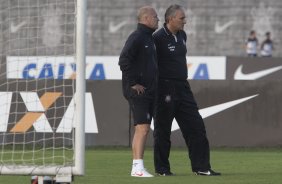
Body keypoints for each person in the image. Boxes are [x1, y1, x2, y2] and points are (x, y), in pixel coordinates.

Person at [153, 4, 221, 176]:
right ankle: (162, 169)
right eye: (182, 18)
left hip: (183, 87)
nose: (185, 21)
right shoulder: (157, 38)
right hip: (164, 88)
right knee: (163, 130)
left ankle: (202, 167)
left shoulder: (182, 35)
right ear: (170, 19)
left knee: (196, 127)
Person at [119, 6, 159, 177]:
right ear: (146, 18)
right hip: (139, 91)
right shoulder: (137, 37)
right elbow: (123, 60)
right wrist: (133, 83)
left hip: (148, 90)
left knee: (142, 128)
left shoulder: (149, 38)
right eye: (155, 17)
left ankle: (137, 166)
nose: (158, 19)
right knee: (142, 128)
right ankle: (137, 168)